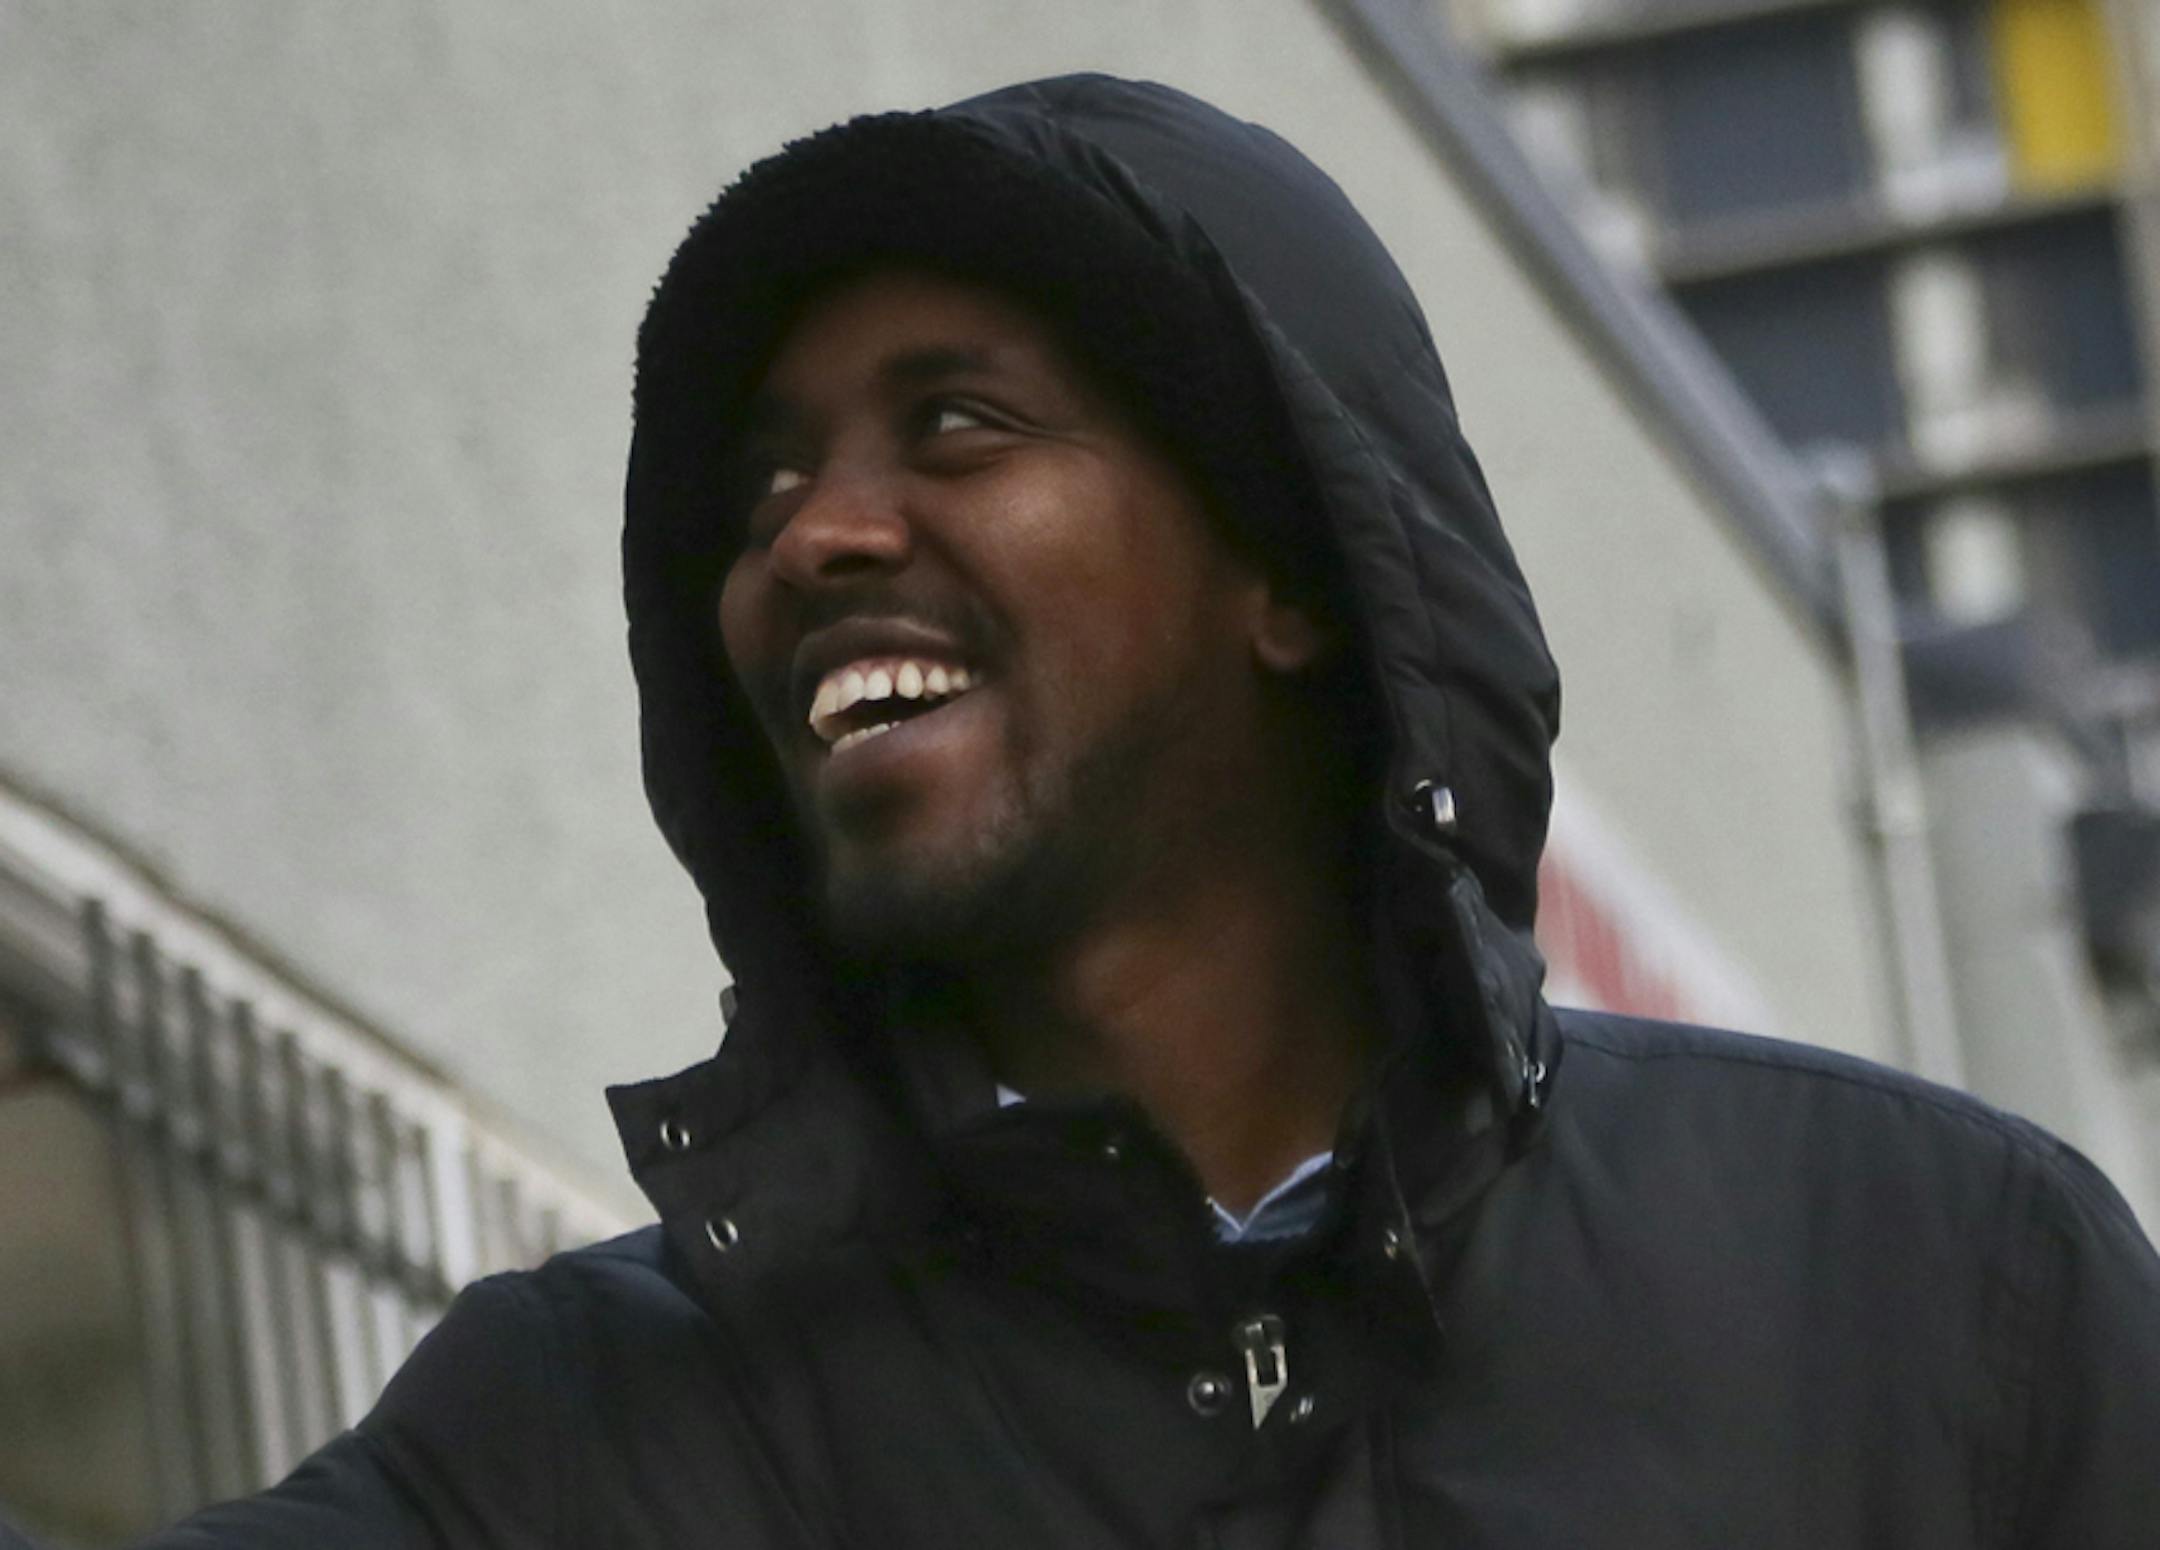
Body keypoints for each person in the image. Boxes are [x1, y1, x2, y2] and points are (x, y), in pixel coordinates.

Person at [140, 73, 2159, 1548]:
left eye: (959, 425)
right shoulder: (583, 1440)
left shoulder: (1936, 1291)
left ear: (1295, 575)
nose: (814, 537)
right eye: (762, 491)